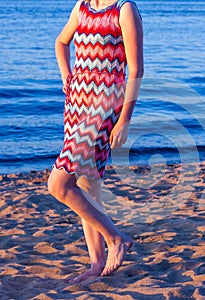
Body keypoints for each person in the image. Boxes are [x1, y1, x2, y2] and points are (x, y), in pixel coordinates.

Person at [47, 0, 143, 283]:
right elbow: (61, 42)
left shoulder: (124, 10)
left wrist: (125, 119)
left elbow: (135, 70)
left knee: (59, 184)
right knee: (87, 185)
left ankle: (117, 239)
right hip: (77, 104)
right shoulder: (82, 7)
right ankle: (97, 263)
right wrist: (67, 76)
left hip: (105, 104)